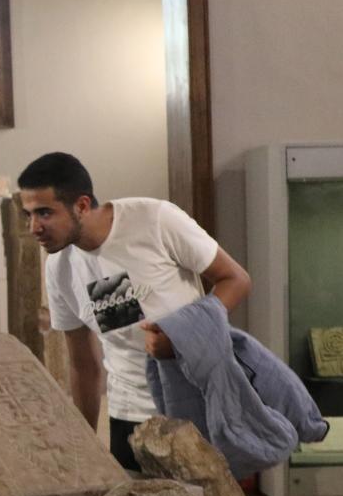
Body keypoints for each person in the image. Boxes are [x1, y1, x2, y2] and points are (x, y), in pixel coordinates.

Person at [17, 152, 251, 469]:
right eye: (28, 214)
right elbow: (83, 365)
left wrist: (184, 336)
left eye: (44, 213)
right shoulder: (60, 267)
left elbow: (235, 280)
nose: (33, 227)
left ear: (82, 205)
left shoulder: (155, 220)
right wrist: (83, 448)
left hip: (192, 407)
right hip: (128, 416)